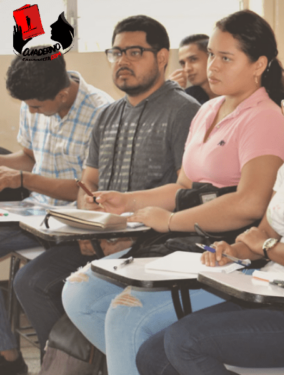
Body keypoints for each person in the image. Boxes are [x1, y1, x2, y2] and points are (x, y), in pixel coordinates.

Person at [62, 10, 284, 375]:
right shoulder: (209, 109)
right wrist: (131, 200)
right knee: (78, 292)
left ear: (259, 64)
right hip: (186, 245)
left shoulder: (265, 116)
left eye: (226, 58)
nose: (213, 65)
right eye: (213, 54)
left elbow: (250, 203)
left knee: (126, 314)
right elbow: (185, 186)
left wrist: (170, 222)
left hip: (228, 253)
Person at [135, 62, 284, 374]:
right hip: (271, 291)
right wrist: (233, 251)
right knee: (152, 356)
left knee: (185, 341)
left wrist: (263, 248)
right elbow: (265, 230)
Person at [13, 14, 200, 358]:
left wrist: (128, 231)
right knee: (31, 281)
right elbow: (88, 184)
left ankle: (115, 358)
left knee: (71, 291)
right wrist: (88, 228)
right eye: (116, 53)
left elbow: (187, 194)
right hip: (99, 239)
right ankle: (66, 361)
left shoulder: (185, 113)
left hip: (155, 242)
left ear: (161, 58)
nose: (122, 62)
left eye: (134, 52)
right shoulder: (107, 115)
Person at [0, 51, 112, 375]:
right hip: (33, 212)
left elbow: (88, 191)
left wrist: (23, 179)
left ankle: (64, 363)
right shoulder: (32, 99)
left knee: (30, 282)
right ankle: (8, 356)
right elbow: (28, 158)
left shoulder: (100, 112)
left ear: (62, 94)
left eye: (36, 107)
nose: (32, 111)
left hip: (73, 221)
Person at [168, 34, 217, 104]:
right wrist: (169, 94)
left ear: (211, 57)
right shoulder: (188, 97)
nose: (187, 68)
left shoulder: (234, 94)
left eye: (193, 59)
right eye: (183, 63)